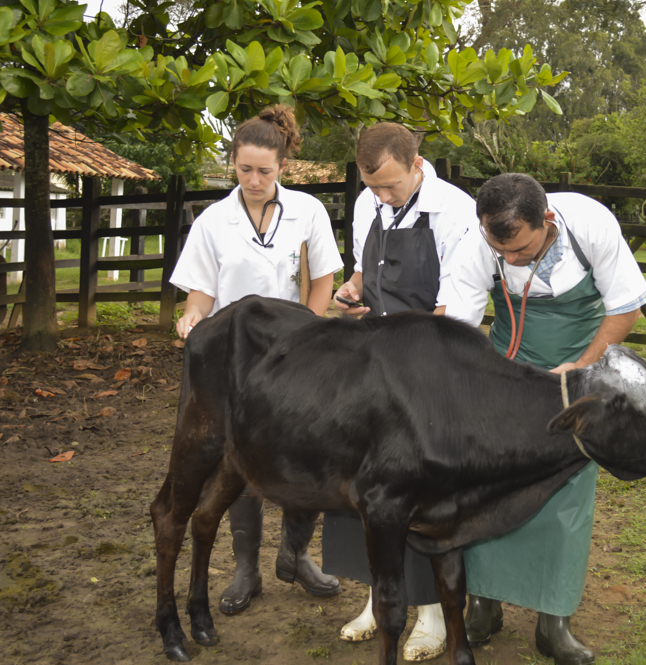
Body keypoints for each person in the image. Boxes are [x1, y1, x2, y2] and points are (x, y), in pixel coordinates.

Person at [438, 172, 646, 665]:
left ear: (547, 220)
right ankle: (483, 604)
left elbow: (625, 309)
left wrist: (580, 369)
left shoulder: (590, 223)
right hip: (507, 370)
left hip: (577, 370)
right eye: (501, 251)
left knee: (566, 491)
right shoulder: (478, 241)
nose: (510, 260)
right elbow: (456, 324)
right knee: (488, 483)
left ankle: (554, 620)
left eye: (521, 249)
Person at [170, 104, 344, 615]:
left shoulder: (307, 211)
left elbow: (323, 281)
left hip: (294, 356)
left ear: (283, 166)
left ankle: (296, 555)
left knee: (303, 454)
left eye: (264, 171)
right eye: (244, 169)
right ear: (233, 163)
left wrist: (308, 336)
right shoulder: (213, 221)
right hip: (234, 359)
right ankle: (246, 568)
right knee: (238, 460)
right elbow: (201, 292)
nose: (253, 180)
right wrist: (191, 317)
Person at [324, 122, 476, 662]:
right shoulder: (367, 201)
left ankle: (432, 612)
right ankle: (377, 596)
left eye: (390, 185)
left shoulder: (455, 211)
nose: (382, 196)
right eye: (373, 187)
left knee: (424, 492)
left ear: (416, 165)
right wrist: (350, 292)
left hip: (431, 363)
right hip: (372, 361)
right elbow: (362, 273)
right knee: (365, 483)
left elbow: (458, 304)